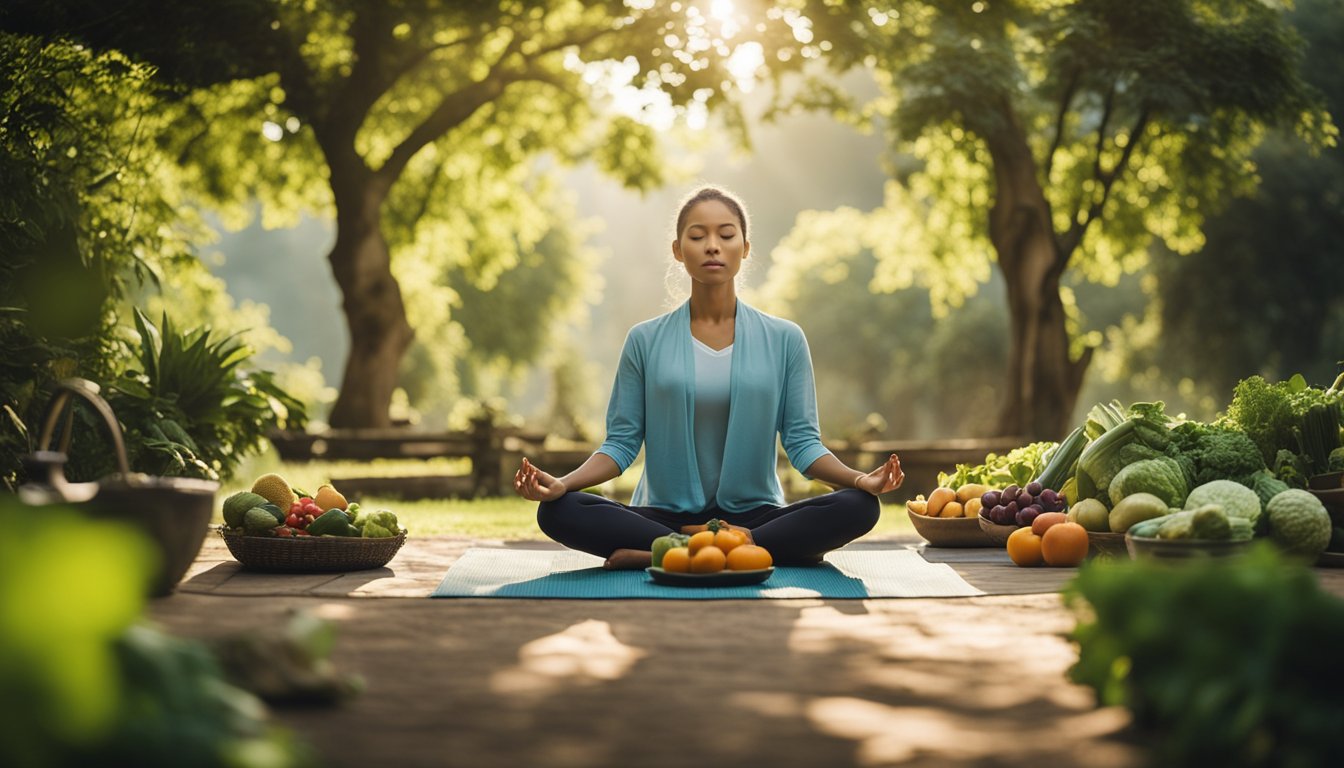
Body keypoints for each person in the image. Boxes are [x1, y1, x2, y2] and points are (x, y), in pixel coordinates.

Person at [513, 186, 904, 569]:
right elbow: (621, 445)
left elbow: (803, 445)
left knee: (858, 505)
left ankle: (671, 552)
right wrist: (565, 484)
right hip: (662, 518)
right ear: (678, 251)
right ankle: (741, 550)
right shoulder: (644, 340)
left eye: (726, 235)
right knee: (558, 512)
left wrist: (859, 480)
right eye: (697, 236)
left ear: (745, 248)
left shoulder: (785, 339)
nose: (712, 245)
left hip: (755, 516)